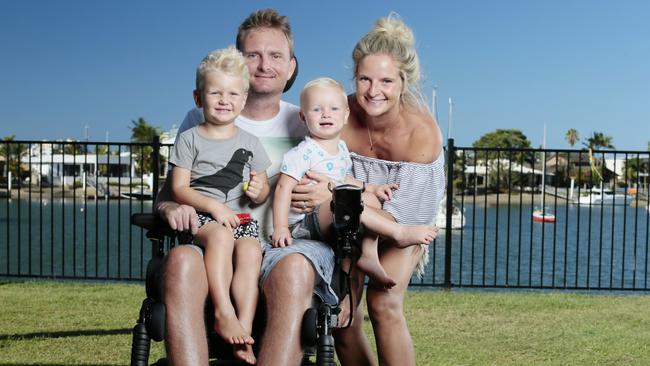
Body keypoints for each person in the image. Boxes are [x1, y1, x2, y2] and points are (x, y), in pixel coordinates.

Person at [155, 9, 335, 365]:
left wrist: (327, 190)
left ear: (291, 66)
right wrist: (170, 207)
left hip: (284, 244)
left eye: (275, 56)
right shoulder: (200, 120)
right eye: (253, 55)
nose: (264, 65)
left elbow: (339, 170)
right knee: (179, 263)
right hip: (211, 236)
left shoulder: (306, 120)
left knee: (295, 268)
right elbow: (170, 191)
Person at [328, 14, 446, 366]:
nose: (373, 91)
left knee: (384, 303)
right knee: (343, 315)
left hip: (404, 217)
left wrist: (353, 200)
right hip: (352, 214)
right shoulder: (340, 115)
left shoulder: (421, 132)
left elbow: (408, 211)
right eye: (364, 79)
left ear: (402, 82)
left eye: (386, 81)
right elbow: (320, 170)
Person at [272, 77, 438, 289]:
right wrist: (281, 227)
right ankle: (397, 232)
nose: (326, 114)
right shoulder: (303, 153)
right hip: (304, 223)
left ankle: (368, 253)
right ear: (303, 117)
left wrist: (372, 188)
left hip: (328, 214)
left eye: (333, 108)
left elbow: (344, 179)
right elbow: (282, 187)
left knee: (370, 200)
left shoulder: (340, 149)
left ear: (345, 116)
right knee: (346, 201)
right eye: (316, 109)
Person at [169, 46, 271, 364]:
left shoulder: (251, 143)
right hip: (205, 217)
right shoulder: (190, 139)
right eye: (215, 93)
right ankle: (222, 310)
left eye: (232, 93)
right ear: (199, 98)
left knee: (252, 251)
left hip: (239, 218)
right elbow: (178, 188)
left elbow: (262, 188)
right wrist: (214, 209)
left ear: (243, 99)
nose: (224, 100)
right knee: (222, 237)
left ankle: (244, 325)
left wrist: (259, 190)